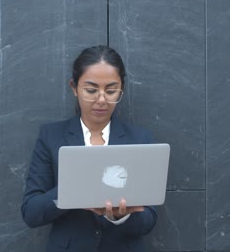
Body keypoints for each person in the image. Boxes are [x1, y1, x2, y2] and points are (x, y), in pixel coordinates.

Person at [21, 45, 157, 251]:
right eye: (91, 90)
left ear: (122, 89)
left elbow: (148, 220)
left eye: (111, 90)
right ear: (74, 87)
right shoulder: (51, 136)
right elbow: (31, 212)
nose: (101, 99)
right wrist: (71, 191)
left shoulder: (139, 138)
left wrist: (122, 216)